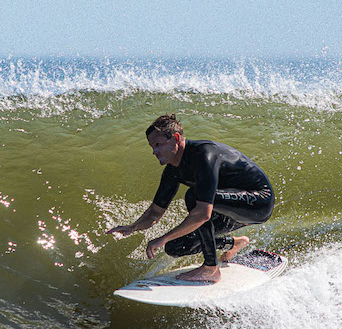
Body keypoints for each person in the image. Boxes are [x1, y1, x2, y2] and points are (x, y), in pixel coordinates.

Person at [107, 114, 275, 283]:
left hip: (258, 202)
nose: (154, 152)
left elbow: (203, 214)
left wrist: (163, 237)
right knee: (175, 247)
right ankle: (234, 244)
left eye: (158, 145)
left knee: (194, 196)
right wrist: (132, 227)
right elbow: (154, 213)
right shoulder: (172, 171)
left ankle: (211, 268)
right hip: (228, 209)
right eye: (152, 146)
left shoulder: (204, 154)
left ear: (176, 138)